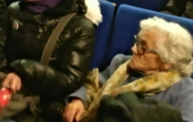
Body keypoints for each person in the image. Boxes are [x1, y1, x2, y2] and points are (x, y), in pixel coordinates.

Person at [63, 17, 193, 122]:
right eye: (138, 42)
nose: (134, 50)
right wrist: (79, 100)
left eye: (144, 48)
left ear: (167, 62)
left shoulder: (185, 90)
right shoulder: (121, 63)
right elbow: (94, 85)